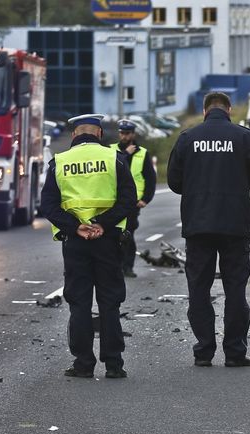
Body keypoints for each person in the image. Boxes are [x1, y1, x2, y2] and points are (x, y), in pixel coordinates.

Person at [167, 92, 250, 368]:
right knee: (235, 289)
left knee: (199, 289)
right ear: (229, 110)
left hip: (198, 225)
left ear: (204, 110)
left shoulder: (189, 138)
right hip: (235, 225)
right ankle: (235, 352)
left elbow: (174, 182)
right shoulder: (243, 137)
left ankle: (204, 351)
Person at [40, 113, 137, 379]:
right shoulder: (113, 159)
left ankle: (83, 363)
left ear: (74, 135)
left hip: (76, 242)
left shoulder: (59, 162)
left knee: (79, 302)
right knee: (110, 302)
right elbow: (128, 200)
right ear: (99, 134)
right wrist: (103, 224)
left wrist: (76, 226)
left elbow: (48, 205)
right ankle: (114, 365)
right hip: (107, 241)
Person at [115, 119, 156, 277]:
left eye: (127, 133)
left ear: (133, 134)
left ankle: (128, 266)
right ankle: (117, 266)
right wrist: (126, 155)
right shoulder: (113, 150)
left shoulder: (143, 153)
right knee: (116, 235)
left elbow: (150, 178)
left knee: (128, 234)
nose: (124, 136)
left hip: (133, 202)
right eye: (122, 133)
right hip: (115, 200)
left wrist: (146, 199)